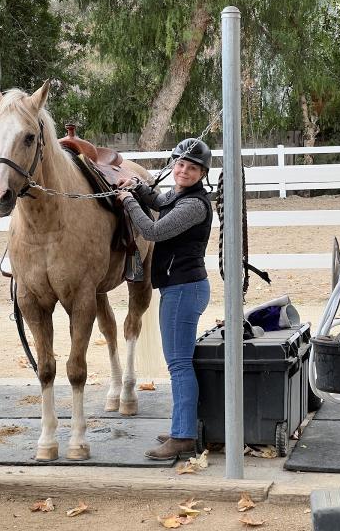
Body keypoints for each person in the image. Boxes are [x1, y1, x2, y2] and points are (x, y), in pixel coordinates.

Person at [117, 138, 213, 460]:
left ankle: (183, 436)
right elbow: (160, 199)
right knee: (180, 363)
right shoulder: (181, 195)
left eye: (192, 168)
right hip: (181, 287)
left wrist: (129, 200)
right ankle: (181, 425)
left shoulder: (194, 205)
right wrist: (141, 189)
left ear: (202, 174)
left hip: (183, 289)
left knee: (179, 365)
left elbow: (153, 231)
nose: (184, 171)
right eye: (180, 164)